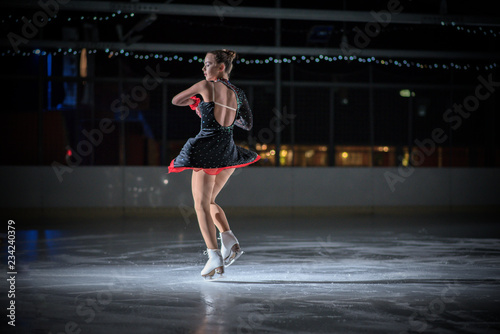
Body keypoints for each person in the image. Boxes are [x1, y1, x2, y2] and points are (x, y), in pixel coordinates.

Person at [169, 49, 260, 279]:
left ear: (221, 67)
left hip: (208, 149)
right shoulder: (237, 92)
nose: (204, 68)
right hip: (227, 152)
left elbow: (176, 100)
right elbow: (247, 123)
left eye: (208, 64)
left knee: (199, 205)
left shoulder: (206, 86)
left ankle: (214, 256)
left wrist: (196, 103)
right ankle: (229, 240)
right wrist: (214, 112)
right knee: (208, 201)